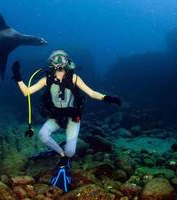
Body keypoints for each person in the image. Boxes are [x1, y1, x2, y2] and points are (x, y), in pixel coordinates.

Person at [12, 50, 121, 192]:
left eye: (61, 59)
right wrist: (18, 77)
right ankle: (60, 154)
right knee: (43, 135)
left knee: (71, 151)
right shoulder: (47, 79)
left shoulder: (74, 78)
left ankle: (65, 153)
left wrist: (108, 98)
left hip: (72, 116)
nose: (58, 62)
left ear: (67, 61)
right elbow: (27, 92)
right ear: (51, 63)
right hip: (56, 115)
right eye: (55, 59)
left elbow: (91, 93)